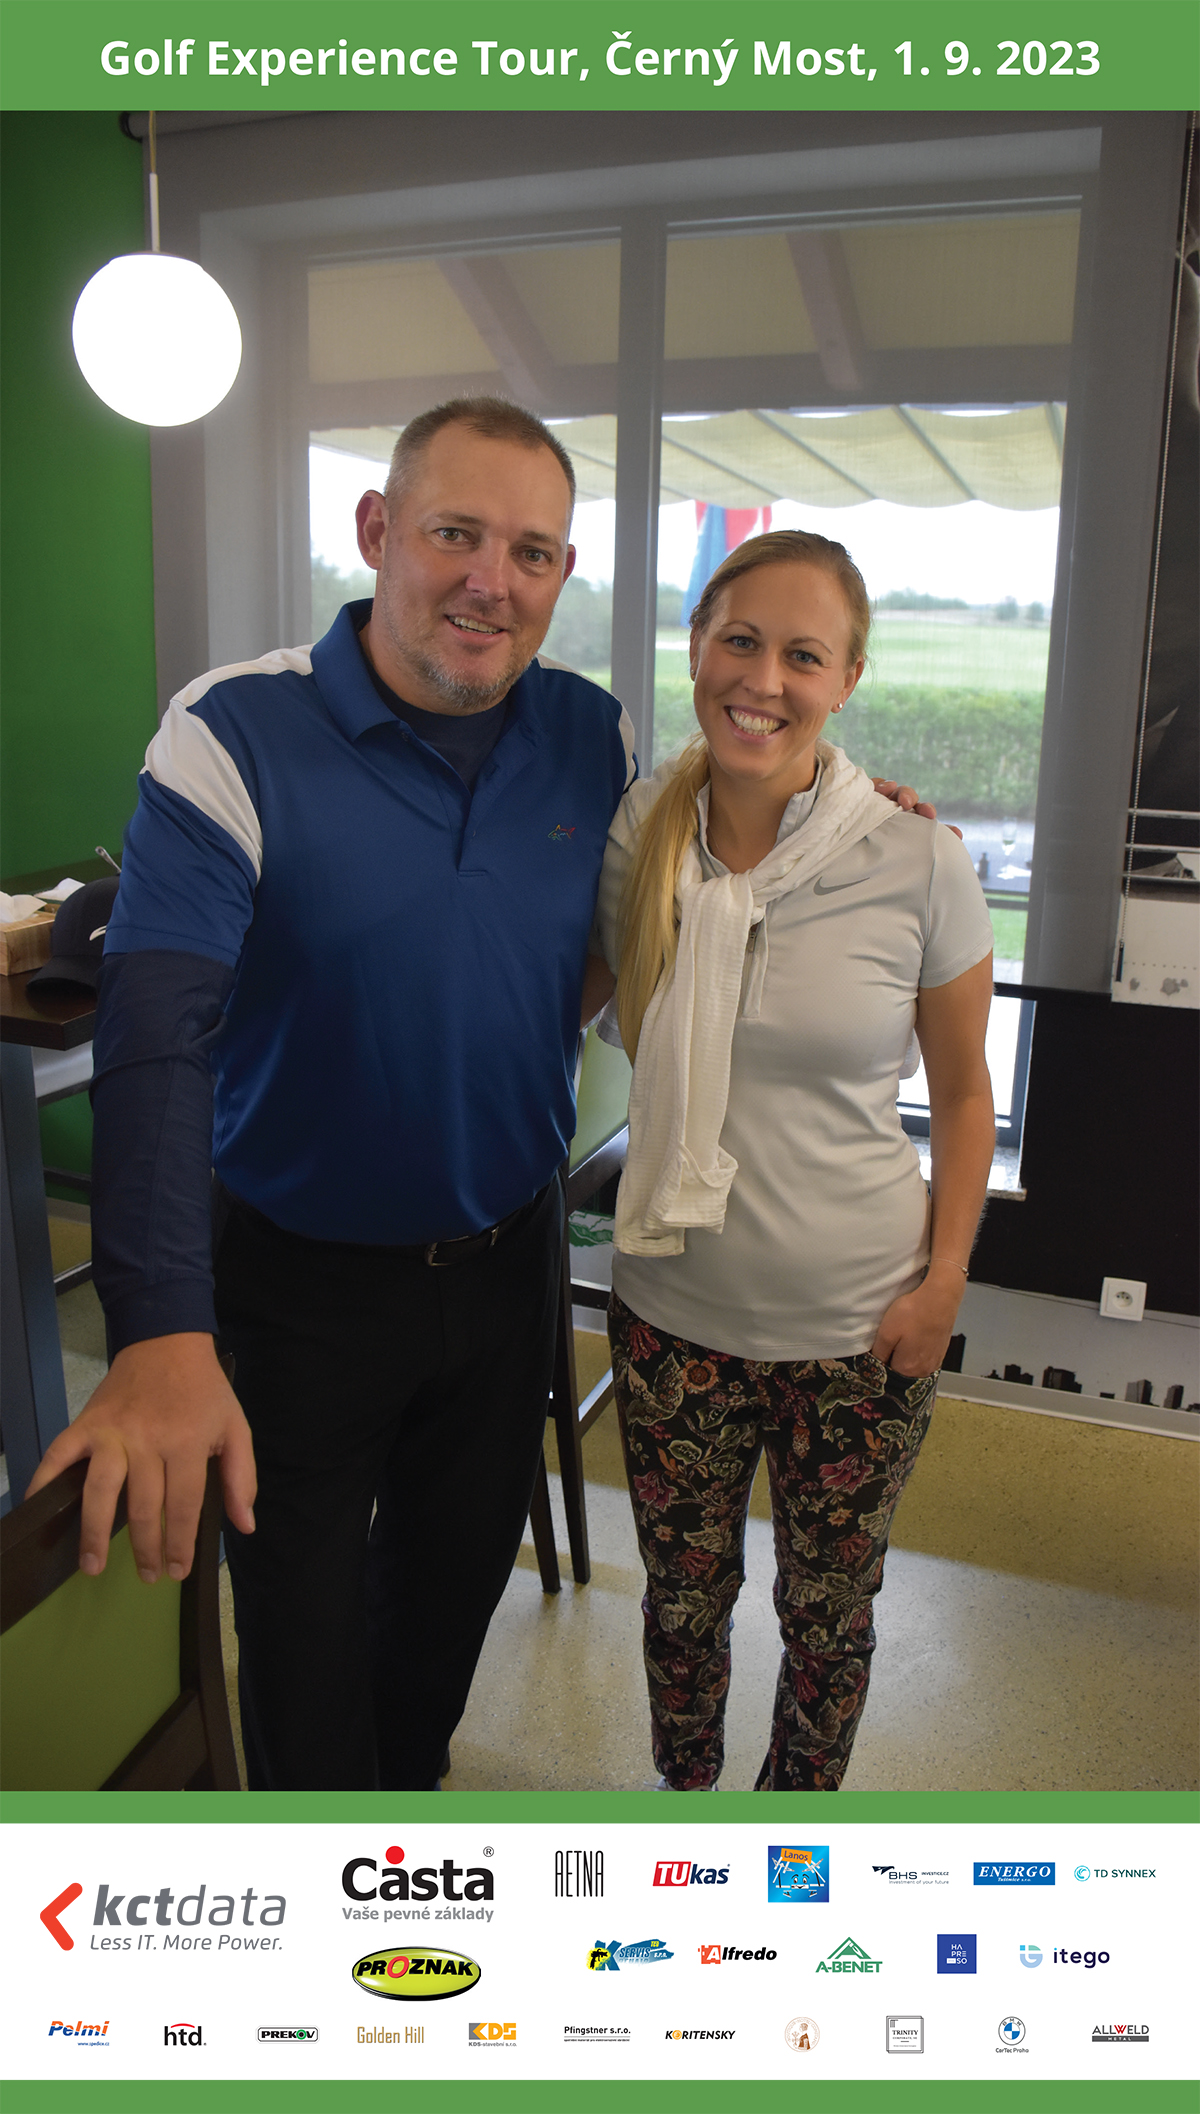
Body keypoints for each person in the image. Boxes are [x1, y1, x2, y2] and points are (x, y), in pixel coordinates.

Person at [27, 402, 936, 1792]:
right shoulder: (231, 731)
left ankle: (403, 1846)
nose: (489, 581)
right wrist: (158, 1327)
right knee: (302, 1652)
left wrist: (862, 815)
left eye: (531, 551)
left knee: (441, 1623)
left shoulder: (588, 734)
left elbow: (715, 830)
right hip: (298, 1284)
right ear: (377, 530)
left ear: (562, 572)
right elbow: (158, 1036)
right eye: (455, 532)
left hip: (507, 1270)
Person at [591, 529, 995, 1791]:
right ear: (697, 649)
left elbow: (966, 1094)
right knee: (680, 1602)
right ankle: (689, 1811)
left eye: (804, 655)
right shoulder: (637, 837)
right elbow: (561, 1000)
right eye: (741, 640)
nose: (764, 679)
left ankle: (791, 1849)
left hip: (858, 1330)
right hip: (672, 1315)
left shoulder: (918, 858)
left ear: (848, 678)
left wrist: (944, 1284)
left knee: (828, 1618)